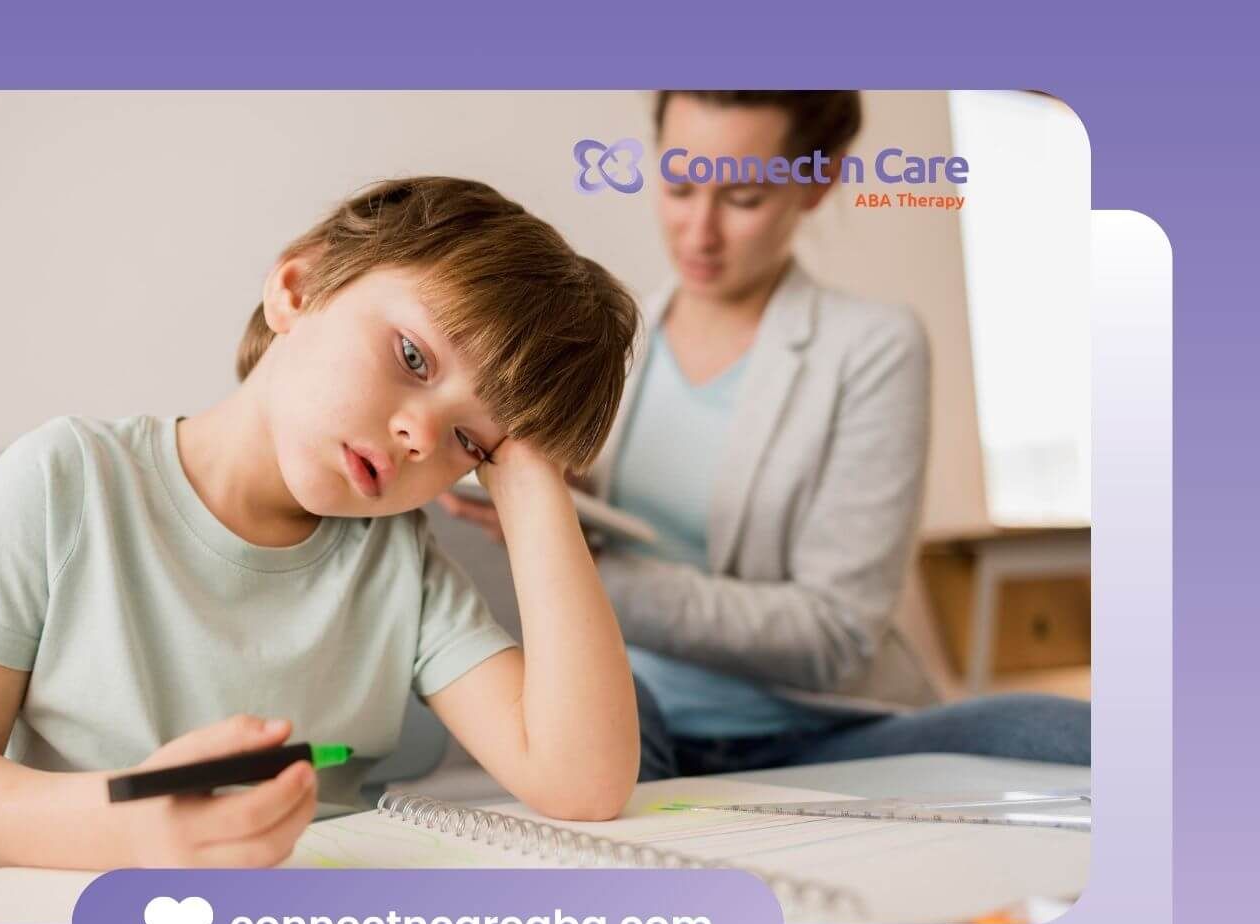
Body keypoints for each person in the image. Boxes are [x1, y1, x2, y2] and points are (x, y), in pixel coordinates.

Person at [0, 177, 643, 870]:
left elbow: (584, 782)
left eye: (469, 441)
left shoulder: (397, 562)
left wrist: (531, 478)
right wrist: (127, 832)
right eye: (413, 356)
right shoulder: (66, 482)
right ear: (297, 289)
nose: (420, 439)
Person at [442, 92, 1087, 779]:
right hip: (639, 720)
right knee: (607, 732)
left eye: (744, 198)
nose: (699, 232)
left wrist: (579, 566)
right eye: (680, 185)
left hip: (821, 729)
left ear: (817, 184)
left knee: (1074, 737)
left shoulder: (872, 348)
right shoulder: (598, 343)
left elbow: (833, 631)